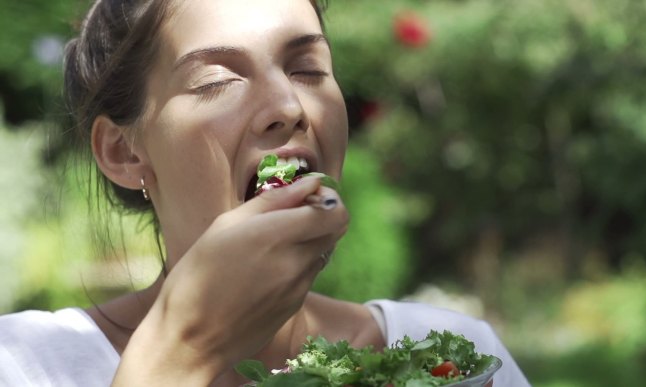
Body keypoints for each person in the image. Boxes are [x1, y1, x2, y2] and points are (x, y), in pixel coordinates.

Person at [0, 0, 530, 386]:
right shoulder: (28, 364)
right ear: (122, 151)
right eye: (216, 80)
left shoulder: (458, 358)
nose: (289, 106)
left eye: (307, 69)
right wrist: (181, 354)